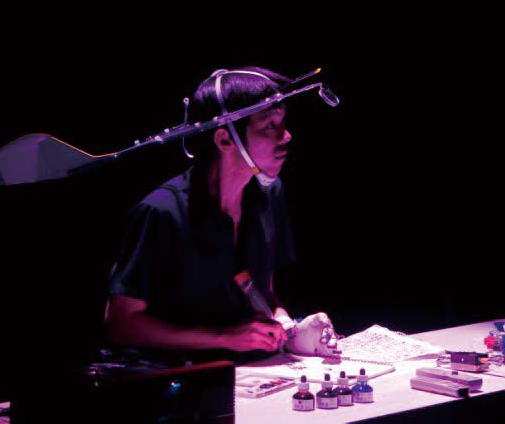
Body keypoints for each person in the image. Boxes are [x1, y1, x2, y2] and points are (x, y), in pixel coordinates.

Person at [104, 67, 339, 362]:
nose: (286, 136)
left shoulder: (269, 194)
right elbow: (121, 324)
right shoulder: (161, 213)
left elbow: (261, 291)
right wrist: (224, 338)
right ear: (225, 140)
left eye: (283, 123)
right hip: (178, 376)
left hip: (253, 370)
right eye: (270, 125)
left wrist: (285, 323)